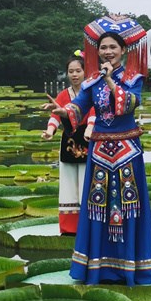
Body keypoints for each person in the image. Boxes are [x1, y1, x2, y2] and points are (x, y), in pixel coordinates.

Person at [45, 15, 151, 285]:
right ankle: (98, 268)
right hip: (99, 152)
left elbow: (128, 105)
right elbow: (79, 107)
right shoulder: (91, 80)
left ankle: (131, 268)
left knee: (128, 207)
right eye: (104, 47)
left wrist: (109, 81)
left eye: (113, 48)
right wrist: (63, 111)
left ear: (123, 51)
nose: (108, 52)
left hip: (127, 152)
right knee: (97, 208)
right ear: (97, 51)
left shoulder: (134, 78)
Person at [42, 51, 95, 235]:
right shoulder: (64, 94)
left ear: (85, 72)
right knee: (67, 183)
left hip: (87, 140)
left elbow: (94, 113)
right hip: (69, 141)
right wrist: (49, 131)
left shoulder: (91, 92)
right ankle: (69, 228)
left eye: (78, 71)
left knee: (86, 182)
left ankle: (88, 226)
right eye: (71, 71)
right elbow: (56, 114)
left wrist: (90, 129)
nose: (74, 75)